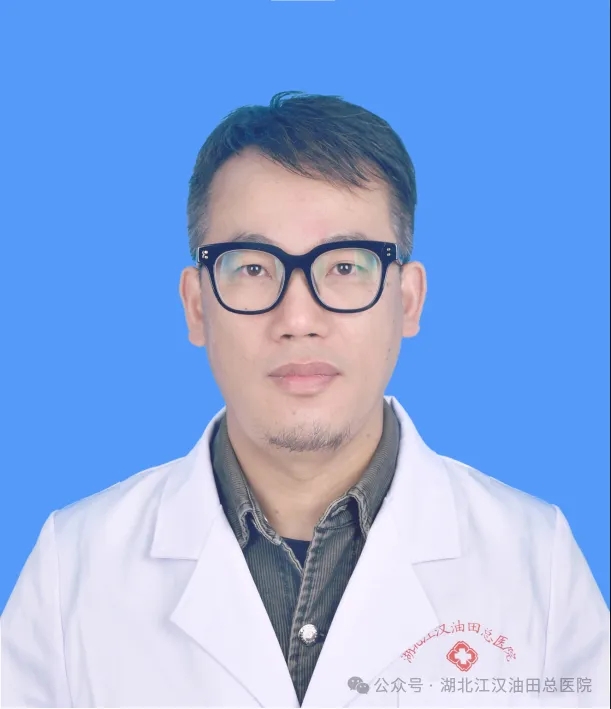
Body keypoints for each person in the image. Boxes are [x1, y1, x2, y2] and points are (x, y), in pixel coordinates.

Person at [1, 91, 608, 709]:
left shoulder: (537, 563)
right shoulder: (72, 568)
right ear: (196, 305)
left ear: (408, 300)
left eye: (345, 267)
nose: (298, 319)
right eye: (252, 268)